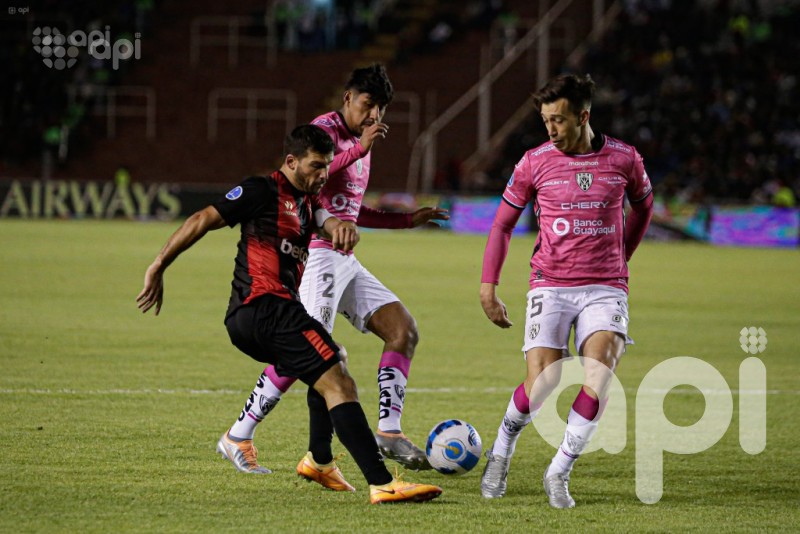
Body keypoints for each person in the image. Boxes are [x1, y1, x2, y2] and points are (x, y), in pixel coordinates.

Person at [136, 124, 442, 504]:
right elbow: (203, 219)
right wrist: (159, 265)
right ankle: (381, 483)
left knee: (333, 360)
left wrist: (341, 228)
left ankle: (320, 460)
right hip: (263, 308)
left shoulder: (308, 203)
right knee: (341, 383)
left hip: (273, 313)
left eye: (328, 167)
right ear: (291, 161)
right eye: (315, 166)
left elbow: (327, 222)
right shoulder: (260, 190)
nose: (323, 175)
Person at [220, 64, 449, 487]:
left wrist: (406, 220)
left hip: (345, 256)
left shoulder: (364, 143)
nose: (374, 115)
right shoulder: (322, 133)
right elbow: (304, 191)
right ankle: (243, 435)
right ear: (347, 98)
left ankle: (389, 431)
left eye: (380, 109)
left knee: (403, 330)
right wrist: (359, 147)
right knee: (313, 354)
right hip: (317, 255)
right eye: (367, 105)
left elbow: (351, 210)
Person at [478, 74, 653, 508]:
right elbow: (502, 224)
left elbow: (644, 206)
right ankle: (501, 450)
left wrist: (622, 254)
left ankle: (559, 471)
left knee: (600, 376)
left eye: (558, 120)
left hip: (605, 287)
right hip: (550, 284)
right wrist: (488, 285)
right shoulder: (534, 162)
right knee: (542, 382)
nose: (550, 129)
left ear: (584, 116)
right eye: (545, 120)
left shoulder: (624, 159)